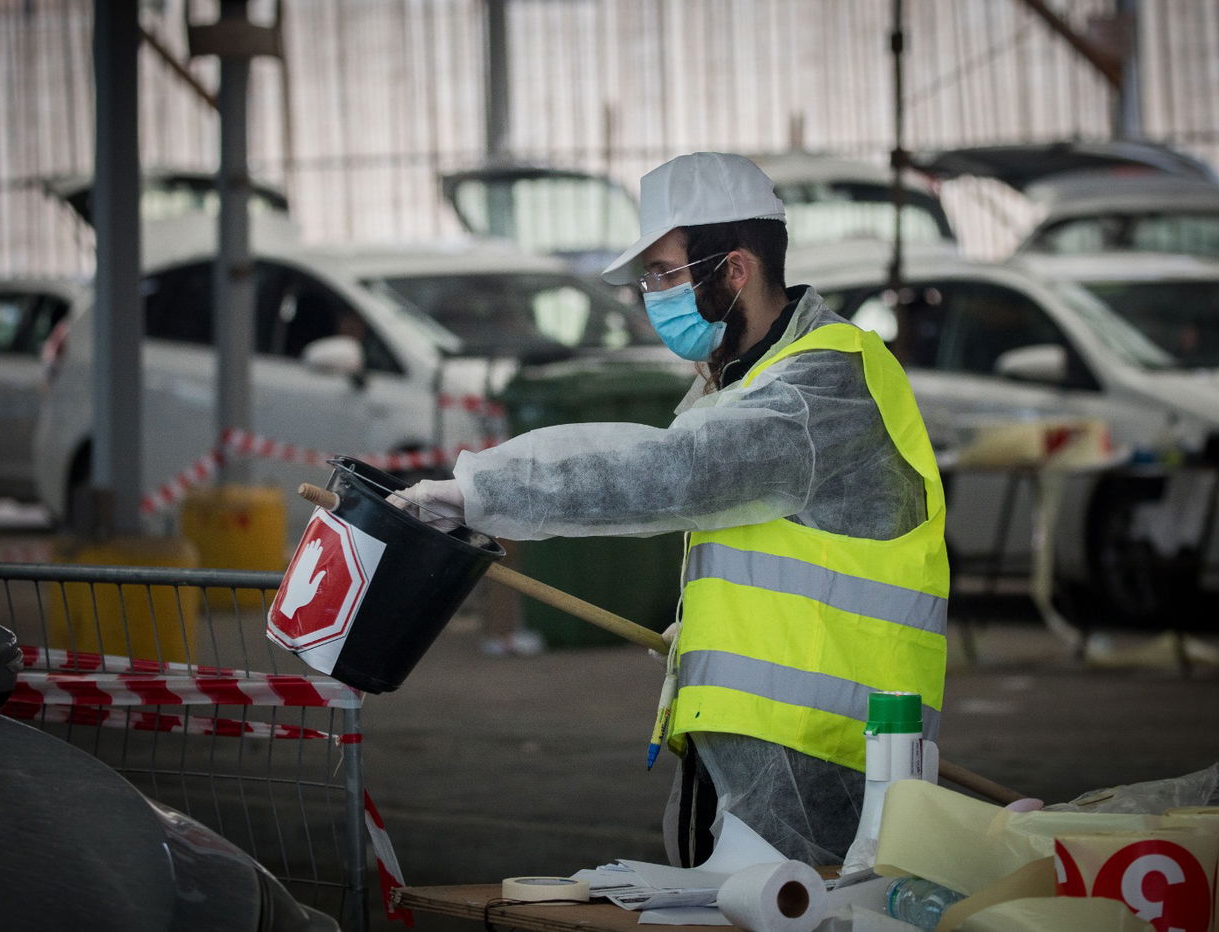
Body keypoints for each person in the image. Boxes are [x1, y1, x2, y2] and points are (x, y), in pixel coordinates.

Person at [390, 152, 948, 867]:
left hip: (817, 758)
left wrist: (481, 492)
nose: (651, 295)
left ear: (735, 270)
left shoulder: (819, 388)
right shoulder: (749, 383)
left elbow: (672, 472)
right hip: (751, 746)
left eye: (664, 273)